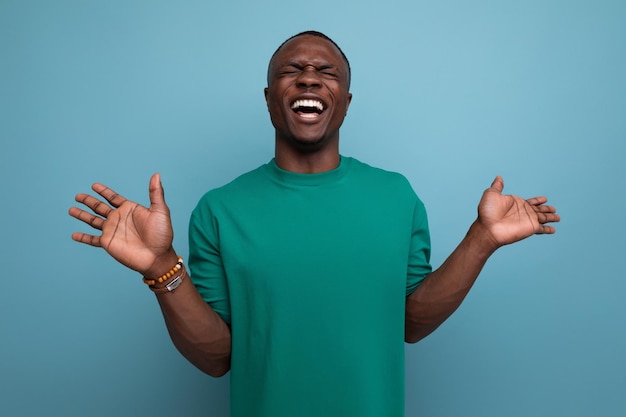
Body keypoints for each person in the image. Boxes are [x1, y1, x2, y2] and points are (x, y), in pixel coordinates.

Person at [69, 31, 560, 417]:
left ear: (345, 101)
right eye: (293, 71)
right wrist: (160, 266)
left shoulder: (395, 196)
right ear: (269, 98)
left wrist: (482, 240)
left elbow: (409, 322)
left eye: (325, 72)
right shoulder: (220, 209)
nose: (308, 78)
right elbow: (215, 356)